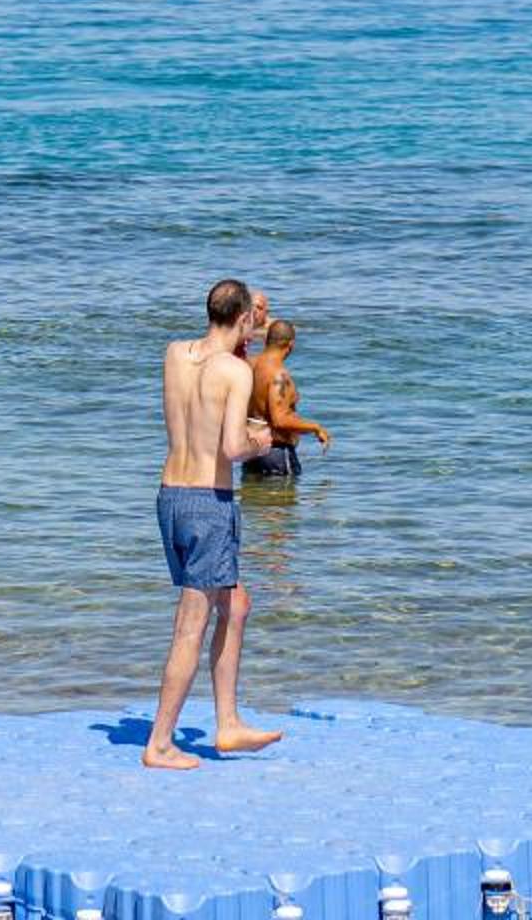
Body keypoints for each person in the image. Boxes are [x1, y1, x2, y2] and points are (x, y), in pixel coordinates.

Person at [142, 277, 284, 769]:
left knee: (236, 604)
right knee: (190, 627)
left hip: (170, 498)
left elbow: (197, 415)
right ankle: (160, 743)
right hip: (209, 502)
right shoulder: (235, 372)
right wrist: (261, 442)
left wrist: (250, 325)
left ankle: (228, 723)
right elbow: (231, 447)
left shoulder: (175, 354)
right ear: (244, 319)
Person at [244, 319, 331, 482]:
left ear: (266, 340)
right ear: (291, 344)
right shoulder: (279, 375)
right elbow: (279, 420)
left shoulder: (249, 364)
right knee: (283, 499)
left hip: (251, 451)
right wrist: (315, 427)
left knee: (253, 497)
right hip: (276, 454)